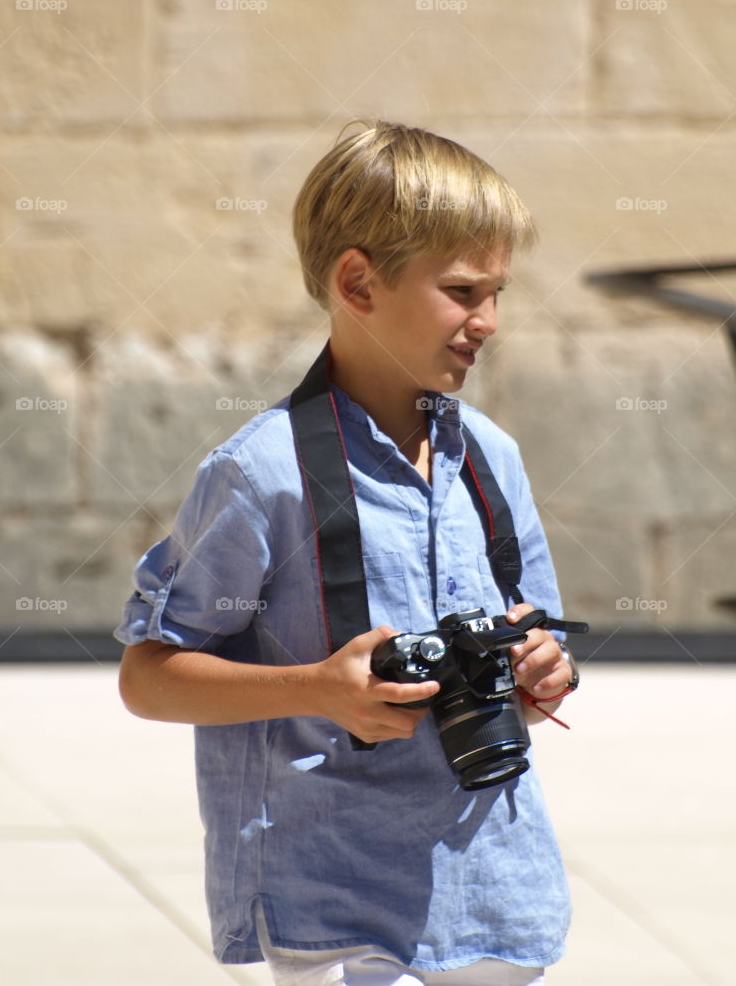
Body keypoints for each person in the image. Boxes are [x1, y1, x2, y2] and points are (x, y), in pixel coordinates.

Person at [114, 119, 580, 986]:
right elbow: (147, 677)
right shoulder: (262, 473)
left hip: (497, 894)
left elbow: (539, 632)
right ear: (358, 282)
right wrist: (320, 690)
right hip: (338, 904)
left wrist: (544, 664)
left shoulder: (492, 458)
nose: (487, 322)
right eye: (462, 291)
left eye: (497, 294)